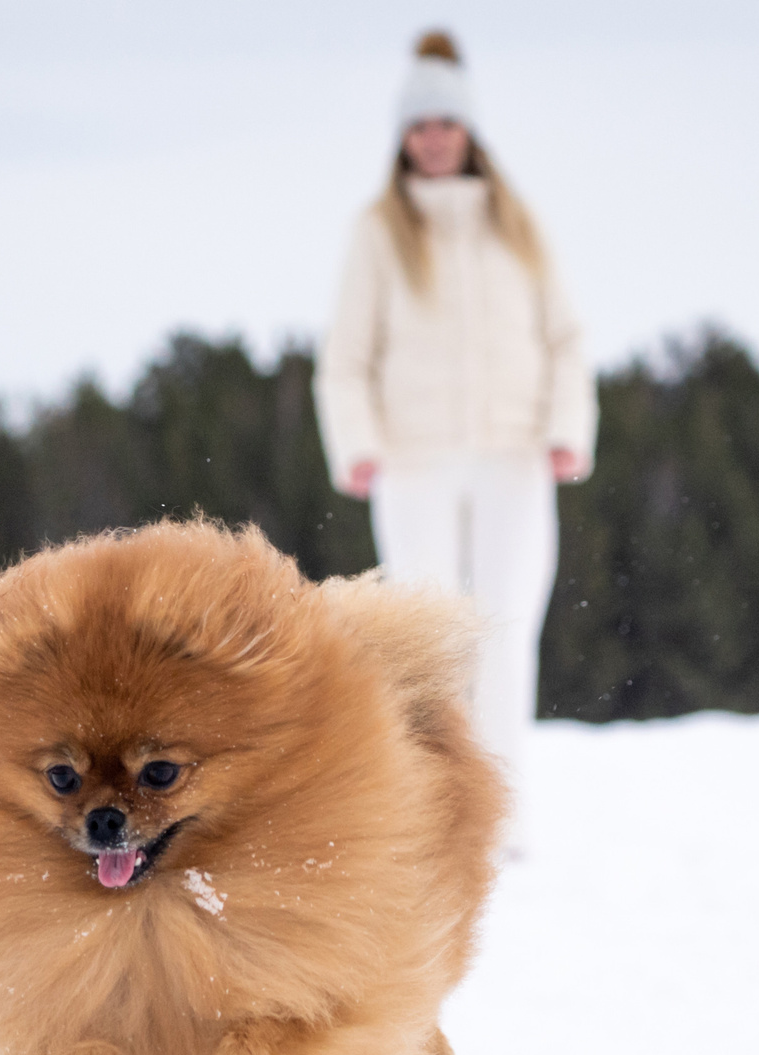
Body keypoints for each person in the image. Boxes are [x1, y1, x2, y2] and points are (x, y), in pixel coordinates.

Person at [315, 28, 595, 847]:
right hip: (414, 461)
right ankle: (439, 815)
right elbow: (345, 357)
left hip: (514, 457)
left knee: (506, 631)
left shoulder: (518, 226)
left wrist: (566, 428)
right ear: (404, 139)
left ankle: (502, 814)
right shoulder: (379, 233)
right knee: (429, 643)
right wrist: (358, 442)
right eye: (420, 127)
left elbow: (567, 337)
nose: (434, 140)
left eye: (446, 125)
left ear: (468, 132)